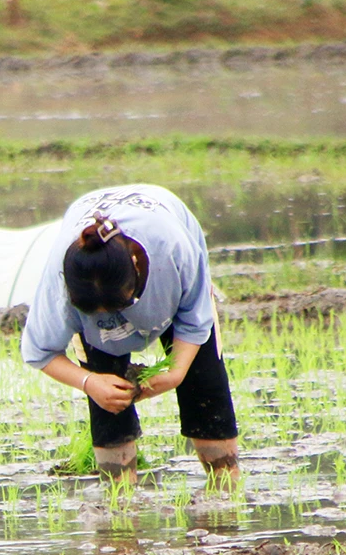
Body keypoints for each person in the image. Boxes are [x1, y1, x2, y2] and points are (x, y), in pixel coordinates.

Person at [20, 185, 239, 486]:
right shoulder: (60, 282)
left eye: (118, 306)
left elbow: (195, 319)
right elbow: (38, 351)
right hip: (95, 282)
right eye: (94, 313)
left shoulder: (173, 247)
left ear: (136, 267)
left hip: (164, 245)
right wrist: (90, 383)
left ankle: (225, 488)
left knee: (203, 384)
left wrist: (176, 372)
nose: (110, 318)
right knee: (108, 400)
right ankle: (119, 502)